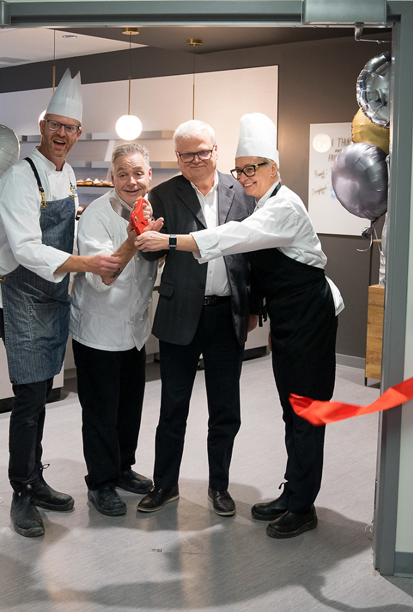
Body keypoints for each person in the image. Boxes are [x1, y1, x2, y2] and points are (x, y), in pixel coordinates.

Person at [136, 112, 344, 539]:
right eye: (242, 168)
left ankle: (302, 506)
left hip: (307, 318)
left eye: (254, 168)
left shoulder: (281, 206)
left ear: (273, 168)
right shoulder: (260, 200)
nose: (246, 176)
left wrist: (170, 242)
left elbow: (233, 241)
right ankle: (292, 493)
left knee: (305, 412)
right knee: (292, 411)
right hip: (285, 320)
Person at [0, 69, 122, 538]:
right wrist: (86, 263)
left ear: (78, 134)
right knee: (27, 398)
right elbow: (24, 248)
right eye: (55, 125)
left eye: (71, 128)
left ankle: (36, 478)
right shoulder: (19, 178)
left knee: (42, 394)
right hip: (20, 295)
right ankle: (21, 492)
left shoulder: (66, 178)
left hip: (52, 297)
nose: (62, 135)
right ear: (42, 126)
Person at [135, 120, 256, 517]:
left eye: (202, 151)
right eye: (187, 154)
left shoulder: (242, 193)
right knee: (173, 407)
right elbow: (151, 253)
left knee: (225, 409)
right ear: (177, 159)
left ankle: (219, 487)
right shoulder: (163, 195)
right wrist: (142, 233)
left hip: (227, 315)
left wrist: (255, 306)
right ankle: (165, 485)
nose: (195, 160)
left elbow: (256, 254)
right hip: (180, 313)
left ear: (216, 151)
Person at [70, 143, 162, 516]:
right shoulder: (97, 215)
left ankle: (123, 468)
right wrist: (133, 238)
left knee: (129, 406)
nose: (131, 180)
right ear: (111, 178)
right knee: (100, 411)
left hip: (135, 331)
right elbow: (104, 275)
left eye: (138, 173)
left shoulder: (154, 210)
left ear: (149, 176)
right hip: (99, 330)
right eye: (122, 174)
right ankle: (101, 483)